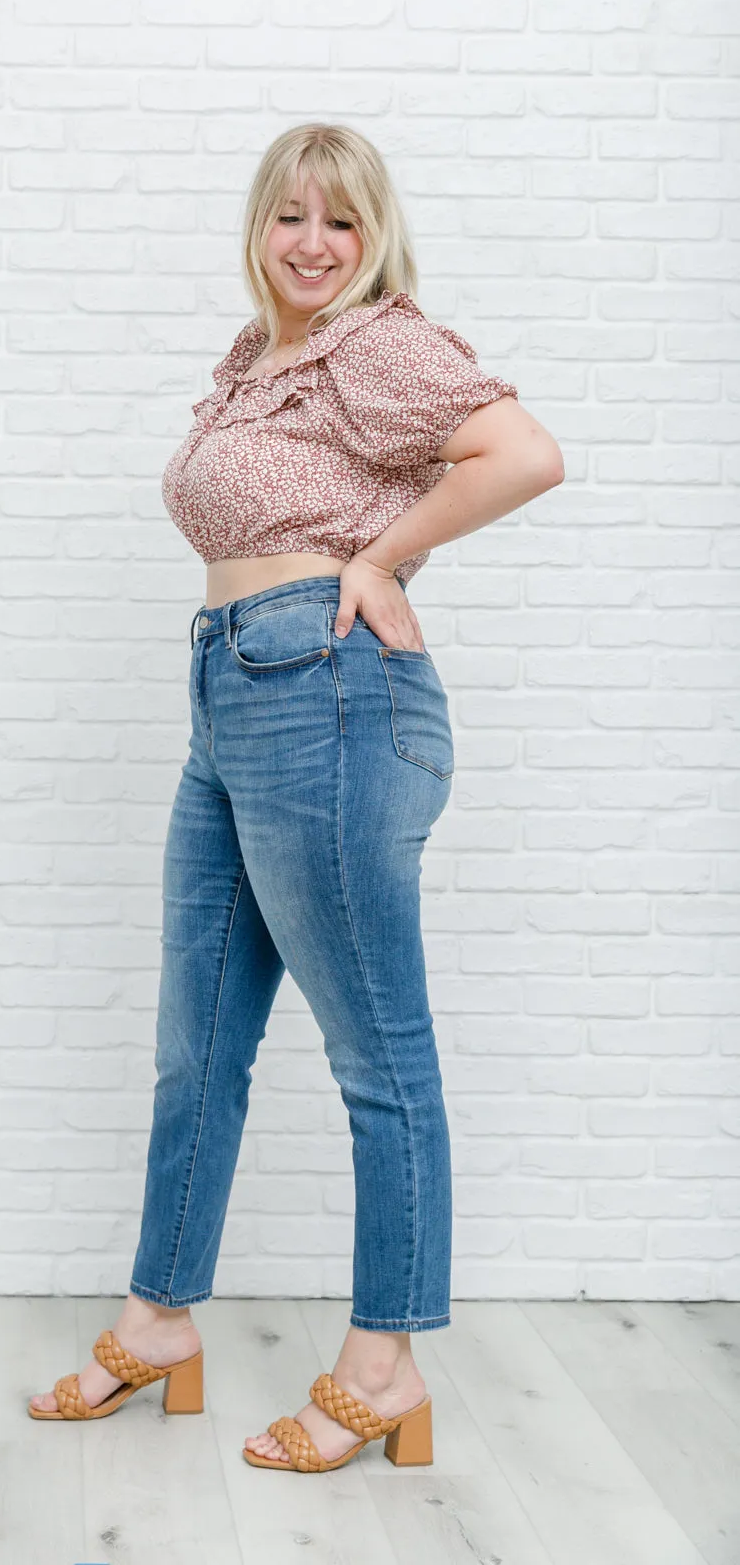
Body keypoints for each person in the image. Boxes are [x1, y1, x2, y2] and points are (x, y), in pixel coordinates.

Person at [29, 123, 564, 1473]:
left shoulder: (377, 342)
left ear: (372, 233)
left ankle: (382, 1362)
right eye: (288, 220)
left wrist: (379, 559)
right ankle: (158, 1323)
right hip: (232, 693)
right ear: (257, 230)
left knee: (376, 1052)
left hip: (329, 697)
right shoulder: (256, 367)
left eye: (339, 221)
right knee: (193, 1048)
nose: (313, 246)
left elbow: (521, 453)